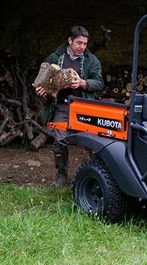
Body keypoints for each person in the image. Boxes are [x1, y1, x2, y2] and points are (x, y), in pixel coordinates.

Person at [35, 26, 104, 185]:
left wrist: (83, 82)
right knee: (60, 141)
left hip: (85, 107)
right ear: (70, 41)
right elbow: (44, 79)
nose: (82, 47)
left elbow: (99, 82)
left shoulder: (91, 60)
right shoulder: (55, 58)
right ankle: (61, 177)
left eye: (85, 44)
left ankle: (95, 177)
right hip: (62, 107)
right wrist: (42, 89)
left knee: (93, 142)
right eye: (79, 43)